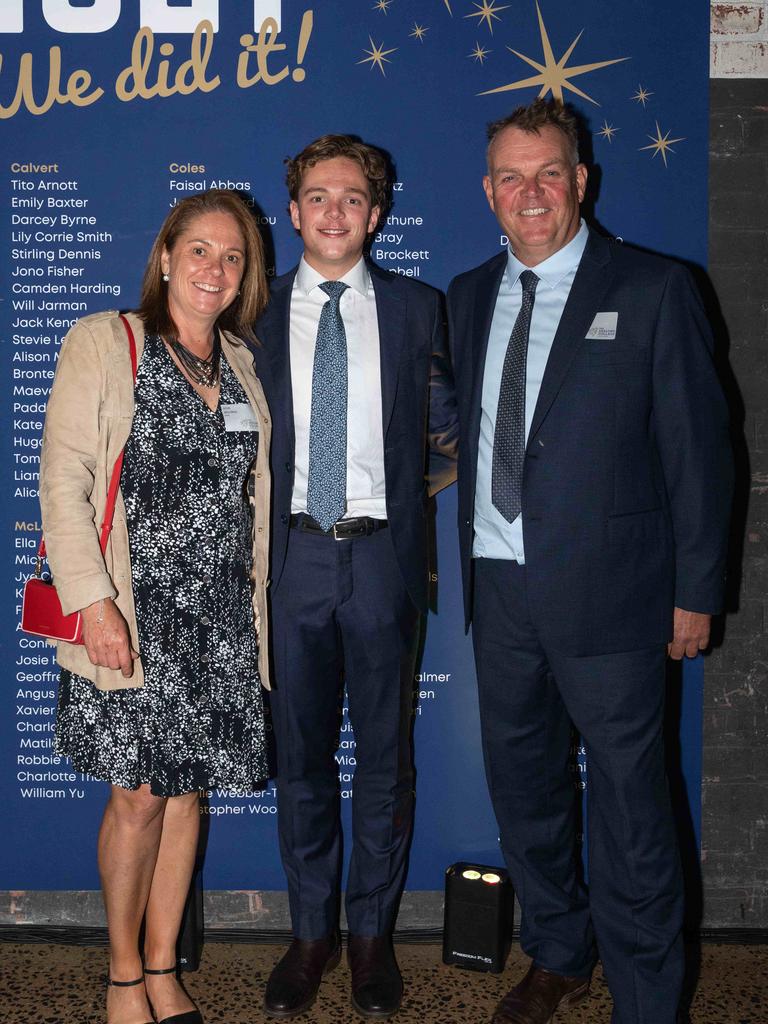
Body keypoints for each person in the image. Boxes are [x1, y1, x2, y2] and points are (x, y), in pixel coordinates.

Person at [446, 100, 732, 1024]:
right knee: (524, 794)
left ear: (582, 181)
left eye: (549, 174)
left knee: (631, 808)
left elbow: (702, 452)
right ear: (488, 192)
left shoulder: (653, 288)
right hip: (501, 589)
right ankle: (561, 952)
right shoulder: (467, 294)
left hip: (617, 599)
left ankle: (649, 1001)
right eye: (510, 178)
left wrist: (696, 592)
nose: (530, 194)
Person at [39, 190, 272, 1024]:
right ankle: (124, 973)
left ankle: (167, 966)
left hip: (218, 620)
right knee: (137, 795)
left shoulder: (241, 363)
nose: (215, 268)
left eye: (233, 256)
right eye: (200, 250)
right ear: (166, 256)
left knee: (187, 796)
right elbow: (62, 485)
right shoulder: (110, 342)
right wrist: (93, 602)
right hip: (134, 613)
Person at [253, 134, 457, 1019]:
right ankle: (311, 935)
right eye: (317, 197)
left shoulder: (419, 308)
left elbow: (451, 426)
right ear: (292, 212)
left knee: (385, 761)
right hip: (291, 558)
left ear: (377, 215)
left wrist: (413, 495)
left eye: (352, 198)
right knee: (297, 760)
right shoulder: (250, 315)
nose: (334, 212)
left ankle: (370, 938)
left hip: (381, 559)